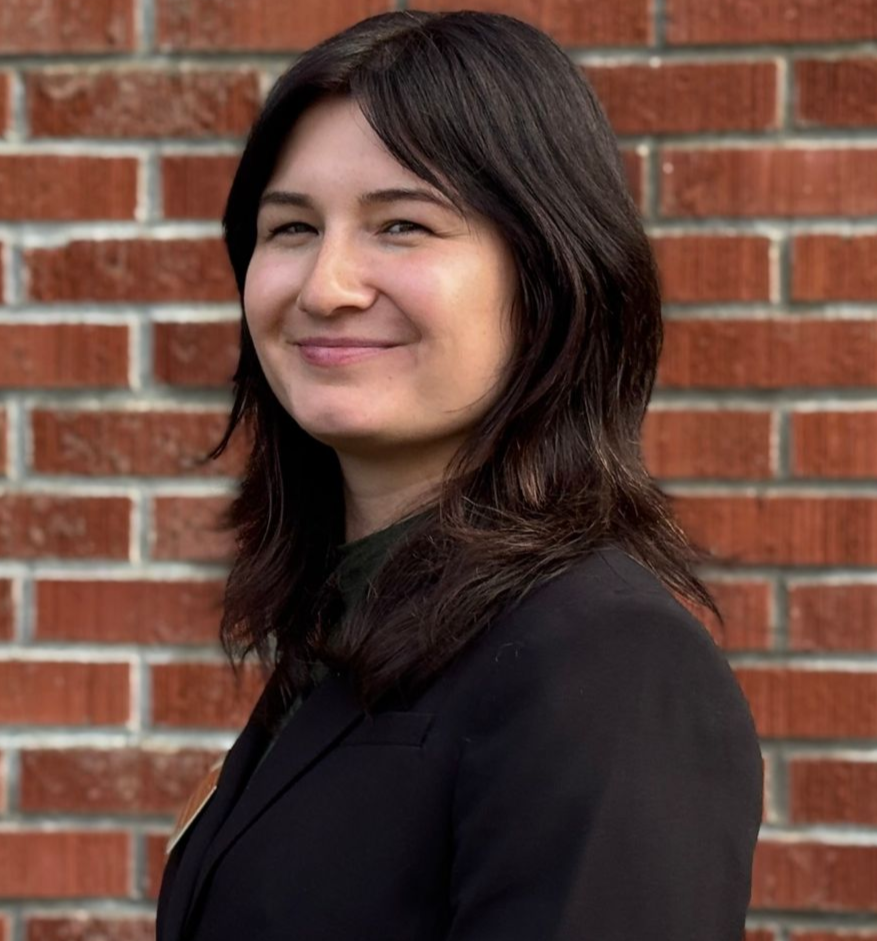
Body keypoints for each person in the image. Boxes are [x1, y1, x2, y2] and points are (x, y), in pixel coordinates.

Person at [156, 10, 764, 941]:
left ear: (550, 278)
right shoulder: (349, 630)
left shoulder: (607, 667)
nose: (327, 286)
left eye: (402, 224)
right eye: (291, 228)